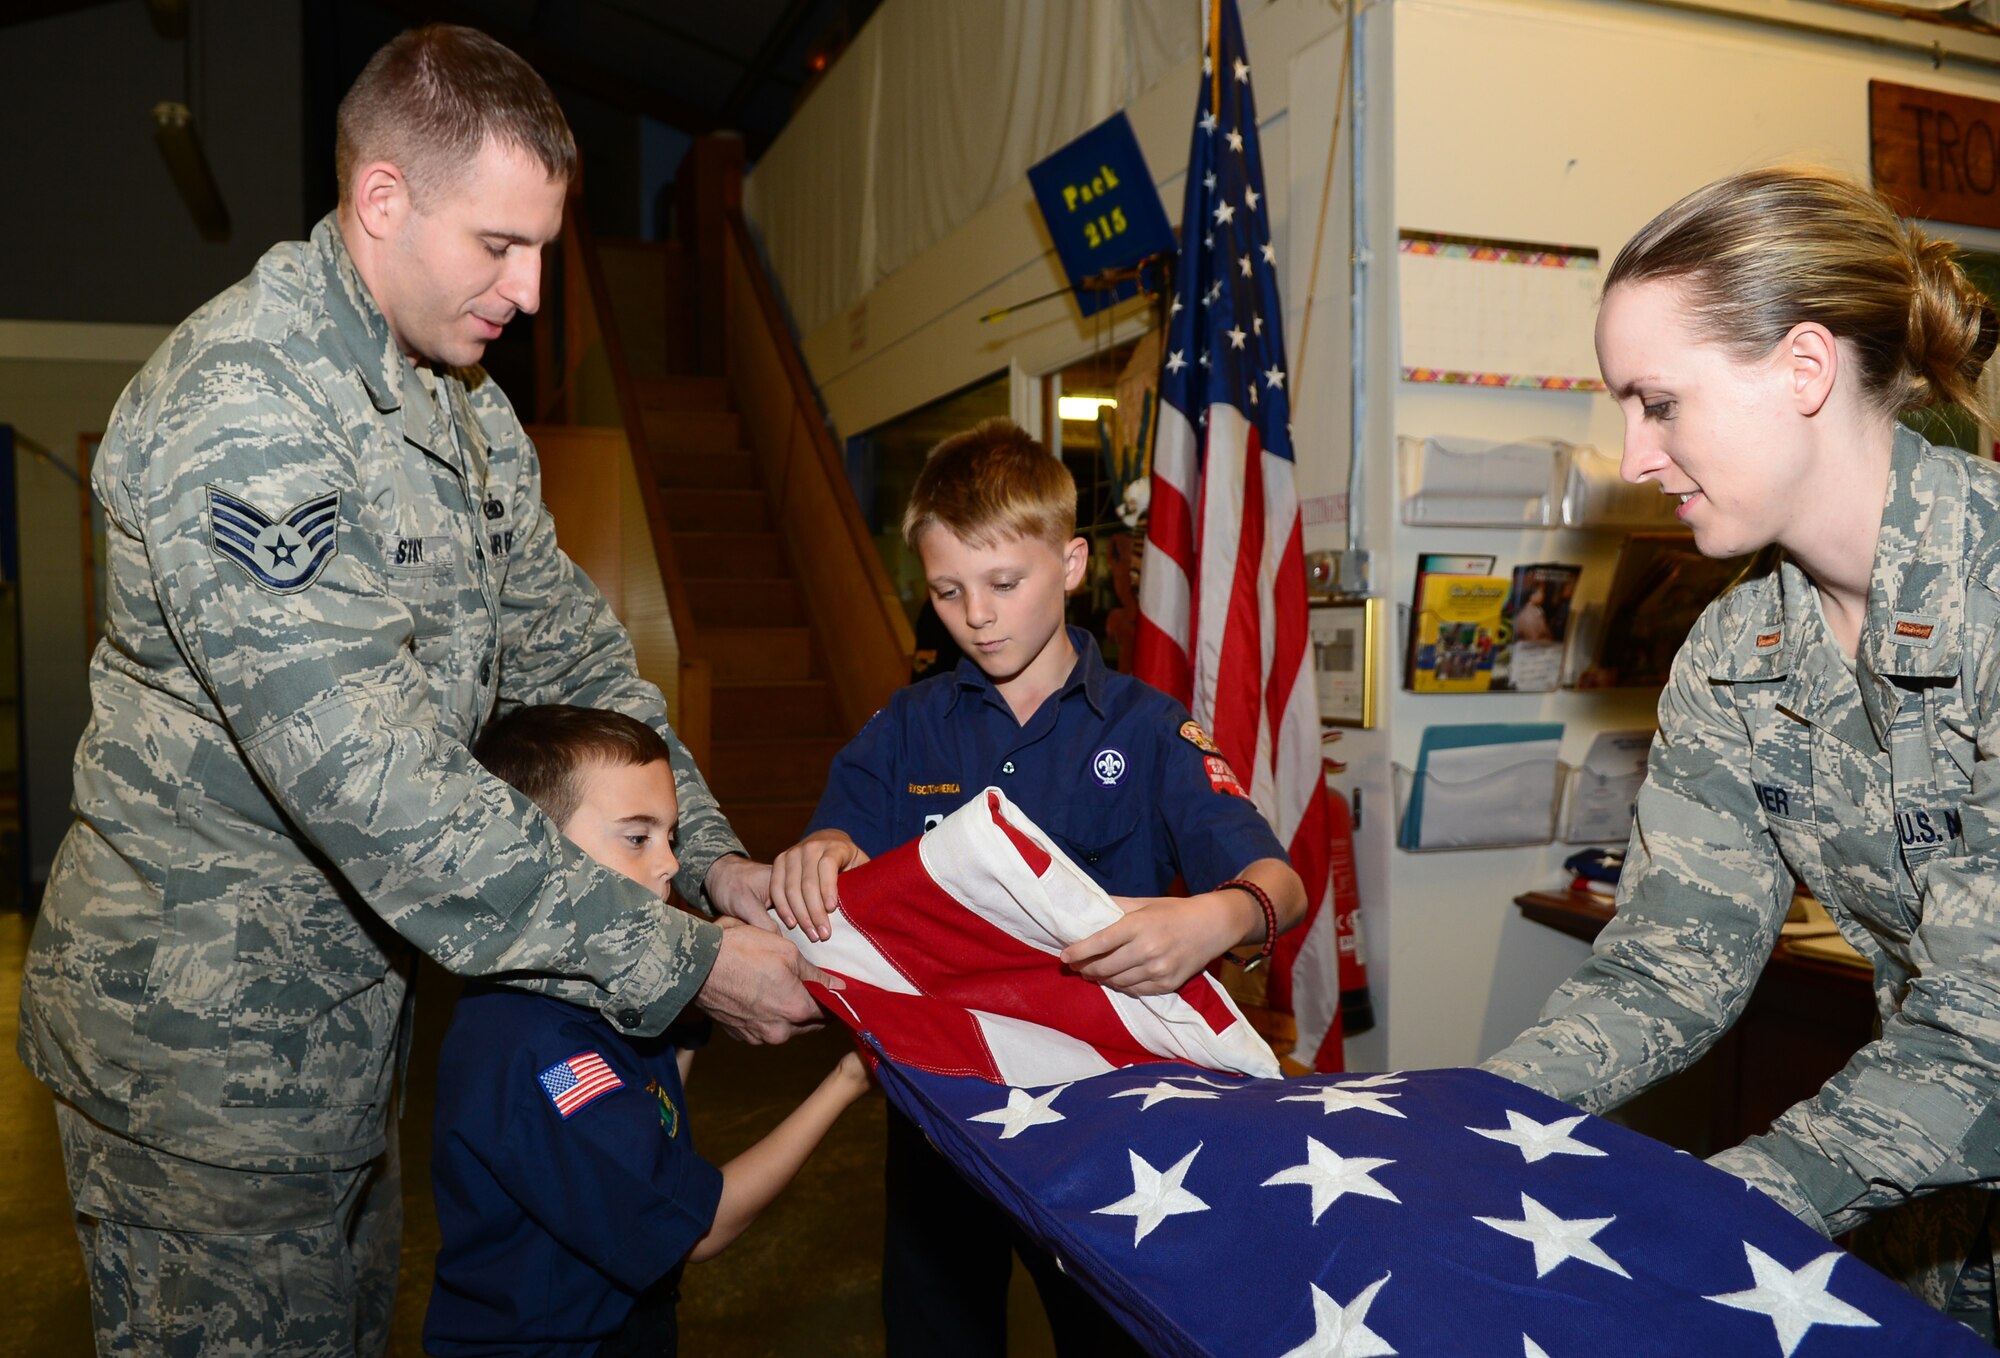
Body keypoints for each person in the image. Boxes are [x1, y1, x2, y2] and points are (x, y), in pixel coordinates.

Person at [17, 25, 826, 1356]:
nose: (531, 290)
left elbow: (571, 655)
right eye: (499, 245)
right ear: (383, 199)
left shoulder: (461, 402)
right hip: (203, 1067)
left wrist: (712, 861)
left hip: (348, 1036)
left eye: (543, 249)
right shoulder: (250, 405)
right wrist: (684, 961)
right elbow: (375, 786)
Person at [1481, 165, 2000, 1336]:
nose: (1634, 454)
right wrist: (1470, 1114)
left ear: (1803, 368)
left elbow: (1987, 1028)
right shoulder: (1734, 650)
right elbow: (1668, 962)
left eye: (1658, 403)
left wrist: (1720, 1207)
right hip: (1931, 1209)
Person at [770, 417, 1306, 1356]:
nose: (976, 615)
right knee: (937, 1336)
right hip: (947, 1105)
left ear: (1071, 564)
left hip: (1110, 1111)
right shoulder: (906, 728)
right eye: (947, 591)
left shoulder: (1147, 728)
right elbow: (835, 846)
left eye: (1004, 583)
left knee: (1114, 1336)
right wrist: (818, 852)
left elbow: (1279, 884)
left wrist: (1214, 918)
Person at [424, 705, 869, 1358]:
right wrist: (848, 1079)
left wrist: (690, 1007)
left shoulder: (595, 986)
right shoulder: (542, 1049)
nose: (668, 864)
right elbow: (702, 1227)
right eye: (637, 837)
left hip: (626, 1325)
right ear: (535, 853)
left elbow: (653, 1117)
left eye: (671, 835)